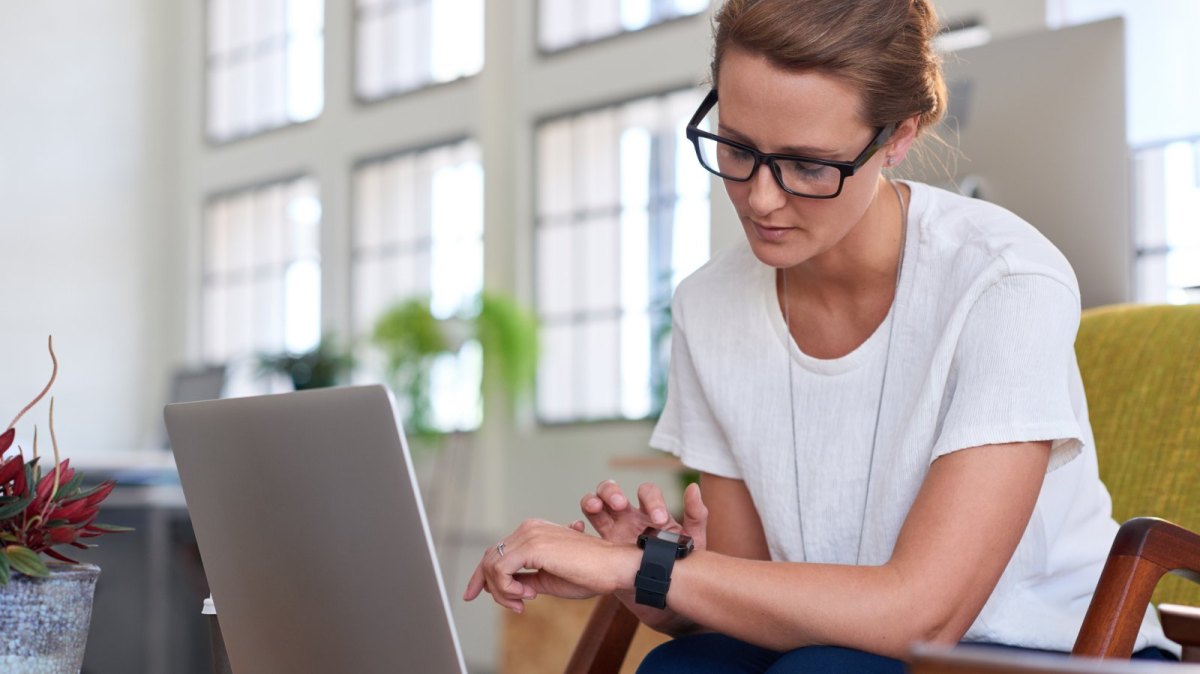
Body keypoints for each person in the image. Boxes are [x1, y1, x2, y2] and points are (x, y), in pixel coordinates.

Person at [464, 1, 1178, 671]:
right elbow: (743, 594)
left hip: (1044, 648)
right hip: (838, 646)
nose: (762, 198)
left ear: (898, 137)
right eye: (737, 148)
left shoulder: (1005, 282)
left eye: (809, 165)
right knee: (683, 665)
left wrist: (639, 570)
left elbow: (922, 615)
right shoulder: (709, 305)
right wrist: (653, 574)